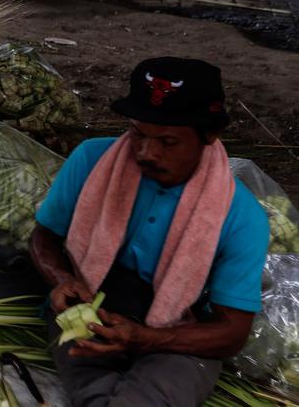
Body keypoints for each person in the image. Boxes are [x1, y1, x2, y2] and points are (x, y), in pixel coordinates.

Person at [30, 57, 268, 407]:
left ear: (209, 135)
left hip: (179, 333)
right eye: (138, 133)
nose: (146, 152)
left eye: (168, 142)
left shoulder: (241, 216)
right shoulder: (91, 160)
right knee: (91, 384)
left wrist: (146, 338)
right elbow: (44, 236)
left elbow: (231, 333)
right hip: (94, 307)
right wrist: (62, 278)